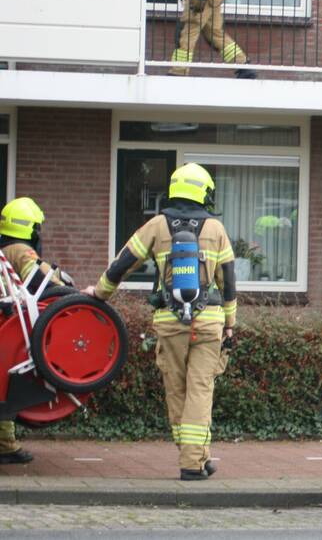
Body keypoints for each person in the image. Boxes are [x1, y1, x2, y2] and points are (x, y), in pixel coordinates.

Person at [83, 163, 237, 481]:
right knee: (200, 390)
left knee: (177, 390)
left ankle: (194, 456)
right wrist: (230, 323)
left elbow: (121, 265)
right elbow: (229, 282)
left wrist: (98, 295)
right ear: (204, 192)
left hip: (169, 320)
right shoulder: (216, 229)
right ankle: (194, 462)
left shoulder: (156, 225)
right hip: (209, 322)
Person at [0, 197, 74, 464]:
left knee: (4, 387)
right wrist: (69, 292)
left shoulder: (3, 249)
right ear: (30, 229)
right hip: (7, 324)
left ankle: (5, 444)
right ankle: (5, 446)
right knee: (8, 381)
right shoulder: (21, 249)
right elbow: (40, 279)